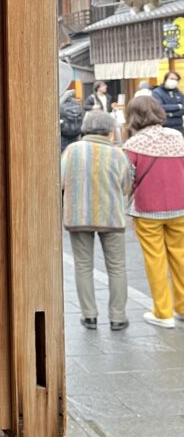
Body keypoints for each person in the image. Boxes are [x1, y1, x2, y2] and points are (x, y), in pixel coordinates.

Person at [61, 110, 134, 330]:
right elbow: (126, 187)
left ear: (85, 128)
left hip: (78, 216)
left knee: (83, 266)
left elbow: (60, 180)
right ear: (110, 130)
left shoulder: (72, 150)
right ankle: (118, 317)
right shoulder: (118, 154)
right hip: (111, 217)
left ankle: (89, 315)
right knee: (117, 267)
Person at [124, 96, 184, 328]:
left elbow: (127, 181)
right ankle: (182, 307)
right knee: (180, 257)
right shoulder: (177, 137)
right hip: (180, 207)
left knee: (155, 260)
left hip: (148, 210)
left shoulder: (133, 145)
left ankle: (163, 312)